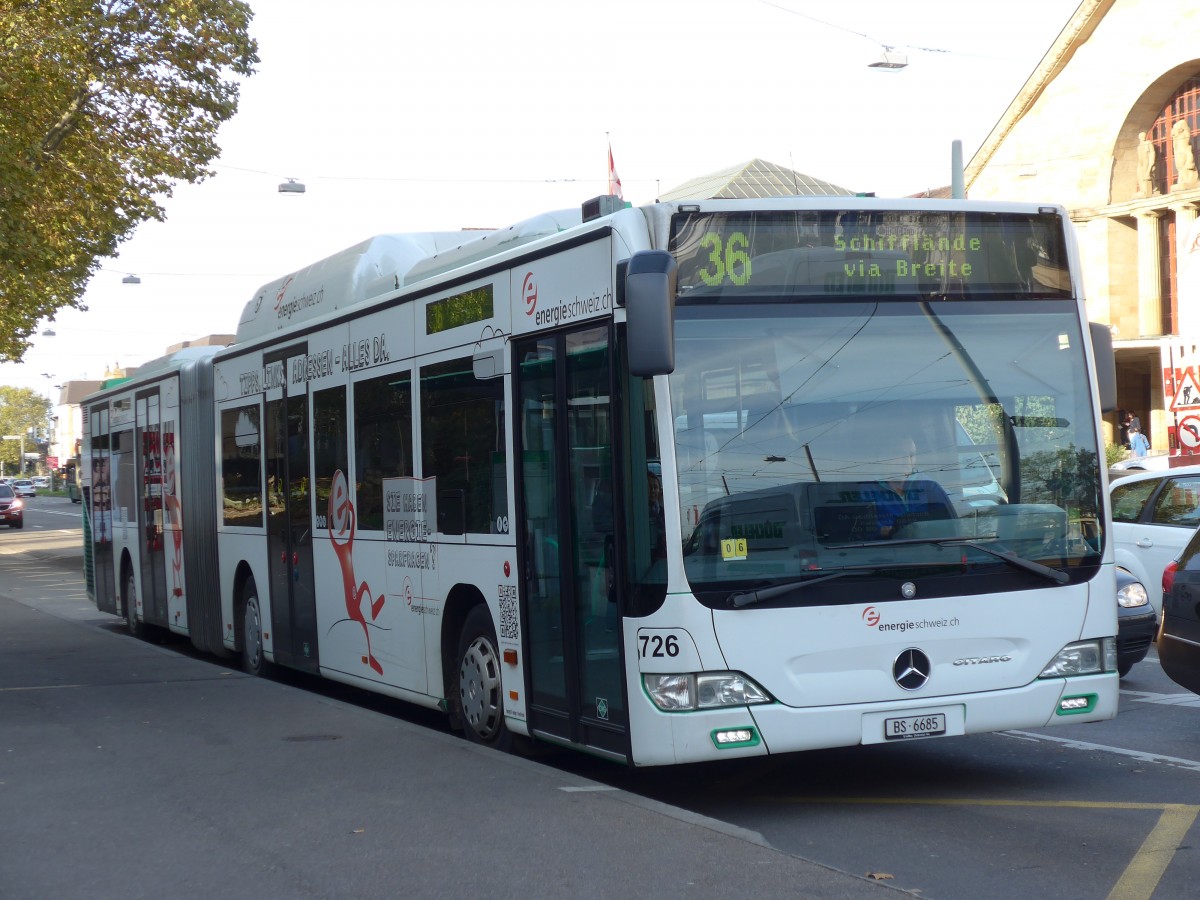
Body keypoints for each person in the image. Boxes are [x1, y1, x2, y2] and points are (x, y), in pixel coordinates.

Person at [873, 436, 955, 538]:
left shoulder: (929, 486)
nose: (908, 460)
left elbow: (950, 526)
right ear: (883, 457)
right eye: (901, 454)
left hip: (930, 548)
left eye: (912, 455)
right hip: (883, 550)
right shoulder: (867, 488)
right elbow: (857, 531)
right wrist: (880, 531)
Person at [1137, 131, 1158, 197]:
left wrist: (1152, 162)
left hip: (1147, 160)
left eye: (1144, 136)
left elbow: (1152, 152)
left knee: (1147, 175)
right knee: (1140, 175)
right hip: (1141, 162)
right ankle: (1143, 190)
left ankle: (1151, 189)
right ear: (1139, 137)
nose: (1143, 137)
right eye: (1141, 136)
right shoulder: (1138, 146)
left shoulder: (1148, 143)